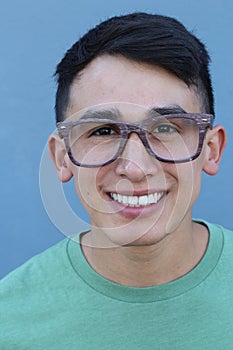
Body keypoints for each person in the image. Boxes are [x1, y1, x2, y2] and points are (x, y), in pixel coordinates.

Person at [0, 12, 232, 349]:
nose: (135, 168)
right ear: (61, 158)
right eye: (103, 131)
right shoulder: (8, 322)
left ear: (211, 150)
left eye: (166, 128)